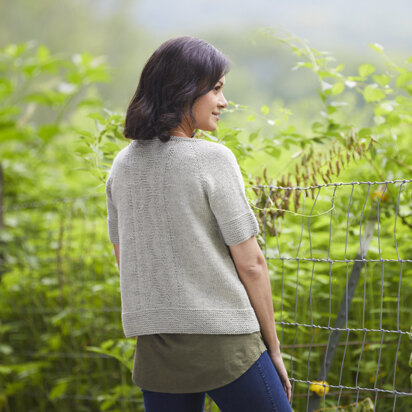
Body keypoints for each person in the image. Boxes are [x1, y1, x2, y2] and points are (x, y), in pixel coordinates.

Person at [105, 35, 292, 412]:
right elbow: (252, 263)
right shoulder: (212, 159)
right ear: (184, 90)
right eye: (217, 89)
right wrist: (273, 349)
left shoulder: (122, 166)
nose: (223, 102)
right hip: (225, 344)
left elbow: (124, 259)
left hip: (157, 349)